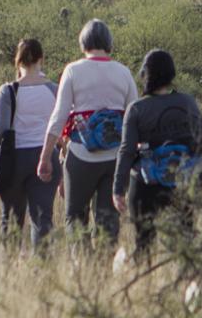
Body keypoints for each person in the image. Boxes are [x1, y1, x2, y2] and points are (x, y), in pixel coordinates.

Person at [39, 18, 137, 242]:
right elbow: (134, 117)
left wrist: (45, 157)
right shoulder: (124, 72)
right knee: (108, 222)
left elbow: (59, 116)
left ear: (83, 42)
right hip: (115, 158)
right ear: (108, 43)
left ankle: (80, 269)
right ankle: (103, 271)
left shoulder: (73, 70)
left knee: (75, 218)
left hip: (81, 156)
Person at [113, 48, 202, 254]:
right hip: (183, 180)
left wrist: (118, 189)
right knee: (186, 239)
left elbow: (127, 151)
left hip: (147, 182)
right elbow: (199, 143)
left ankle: (145, 281)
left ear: (145, 75)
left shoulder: (137, 109)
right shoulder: (188, 102)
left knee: (144, 242)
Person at [0, 38, 58, 250]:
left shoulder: (8, 91)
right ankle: (42, 271)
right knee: (42, 218)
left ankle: (8, 273)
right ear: (41, 59)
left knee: (10, 218)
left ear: (17, 62)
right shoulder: (55, 90)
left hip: (14, 159)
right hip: (46, 156)